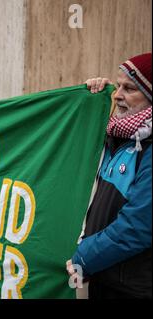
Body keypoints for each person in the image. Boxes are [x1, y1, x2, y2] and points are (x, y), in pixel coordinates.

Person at [67, 53, 152, 299]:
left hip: (134, 288)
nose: (118, 95)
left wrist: (85, 256)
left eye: (129, 88)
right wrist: (95, 97)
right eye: (117, 86)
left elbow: (138, 226)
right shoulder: (119, 136)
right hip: (107, 276)